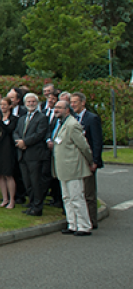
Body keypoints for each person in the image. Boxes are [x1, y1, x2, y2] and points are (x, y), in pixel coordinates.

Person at [51, 99, 94, 236]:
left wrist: (90, 161)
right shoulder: (60, 124)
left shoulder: (72, 125)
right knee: (67, 198)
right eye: (55, 107)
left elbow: (84, 146)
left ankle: (84, 226)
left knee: (76, 197)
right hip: (63, 168)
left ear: (67, 110)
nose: (56, 110)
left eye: (59, 107)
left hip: (73, 167)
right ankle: (72, 224)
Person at [69, 92, 103, 229]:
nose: (72, 105)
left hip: (87, 160)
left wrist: (95, 161)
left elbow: (97, 141)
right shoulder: (72, 118)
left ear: (83, 102)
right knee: (77, 193)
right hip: (74, 160)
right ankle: (80, 220)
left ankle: (92, 221)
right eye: (71, 102)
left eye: (75, 102)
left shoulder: (91, 118)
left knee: (88, 193)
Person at [13, 93, 49, 217]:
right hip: (22, 154)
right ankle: (32, 204)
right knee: (27, 182)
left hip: (35, 155)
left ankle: (38, 207)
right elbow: (16, 132)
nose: (31, 104)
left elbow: (40, 134)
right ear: (24, 103)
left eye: (33, 101)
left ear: (37, 103)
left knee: (35, 182)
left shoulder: (42, 117)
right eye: (28, 102)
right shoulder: (22, 118)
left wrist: (25, 142)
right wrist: (18, 141)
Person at [0, 97, 18, 208]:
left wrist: (0, 121)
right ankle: (5, 198)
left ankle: (12, 200)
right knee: (0, 174)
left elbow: (8, 130)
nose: (3, 107)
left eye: (5, 105)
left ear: (10, 106)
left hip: (7, 147)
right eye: (1, 105)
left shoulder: (14, 118)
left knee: (8, 174)